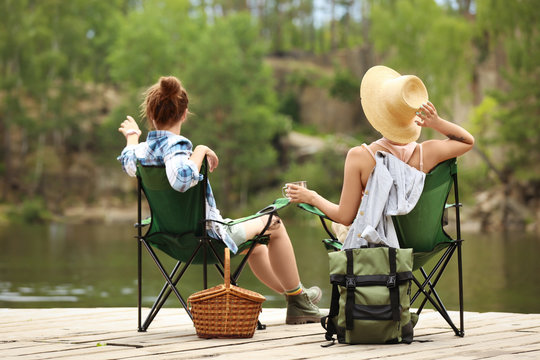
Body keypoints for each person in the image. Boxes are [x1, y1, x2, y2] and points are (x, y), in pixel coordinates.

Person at [117, 75, 323, 325]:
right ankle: (300, 301)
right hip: (206, 239)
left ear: (150, 114)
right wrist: (200, 150)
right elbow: (180, 180)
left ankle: (297, 299)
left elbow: (129, 161)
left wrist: (132, 135)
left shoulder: (141, 152)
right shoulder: (178, 146)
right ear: (184, 114)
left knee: (256, 246)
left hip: (168, 239)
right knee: (274, 224)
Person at [286, 65, 474, 242]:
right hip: (417, 244)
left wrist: (311, 196)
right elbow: (467, 141)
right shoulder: (427, 153)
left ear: (379, 113)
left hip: (376, 247)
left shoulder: (359, 157)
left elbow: (344, 216)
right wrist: (437, 122)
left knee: (339, 225)